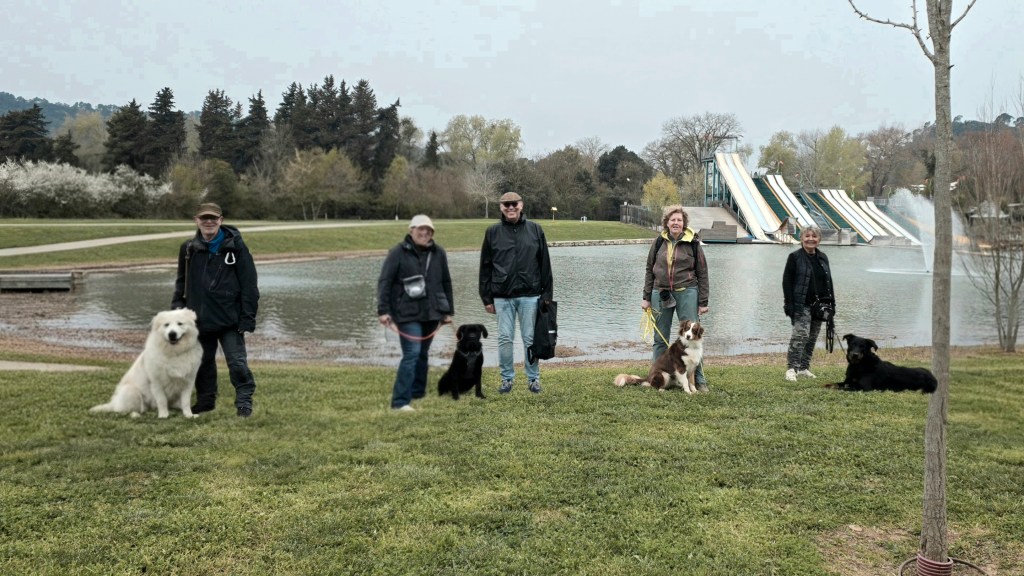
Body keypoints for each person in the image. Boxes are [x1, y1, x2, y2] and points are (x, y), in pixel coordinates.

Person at [171, 202, 260, 417]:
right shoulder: (188, 249)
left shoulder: (236, 247)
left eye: (213, 218)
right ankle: (206, 401)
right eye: (204, 218)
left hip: (231, 320)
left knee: (237, 364)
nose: (208, 222)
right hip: (199, 319)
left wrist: (247, 318)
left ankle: (244, 403)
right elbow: (181, 283)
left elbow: (249, 285)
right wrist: (176, 311)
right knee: (202, 363)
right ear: (196, 221)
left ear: (221, 220)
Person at [479, 191, 553, 394]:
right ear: (501, 207)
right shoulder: (492, 232)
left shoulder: (535, 230)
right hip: (502, 296)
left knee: (530, 339)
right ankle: (506, 379)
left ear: (521, 205)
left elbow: (545, 265)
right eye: (506, 205)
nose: (511, 208)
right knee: (504, 338)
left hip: (530, 295)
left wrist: (546, 296)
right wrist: (486, 297)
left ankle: (533, 378)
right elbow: (485, 267)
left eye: (514, 204)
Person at [377, 215, 453, 412]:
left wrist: (448, 311)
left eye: (428, 230)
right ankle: (400, 401)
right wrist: (383, 311)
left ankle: (417, 391)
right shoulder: (397, 253)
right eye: (421, 229)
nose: (424, 233)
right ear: (411, 230)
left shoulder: (439, 253)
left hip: (432, 312)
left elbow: (446, 282)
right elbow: (385, 282)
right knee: (411, 353)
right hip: (406, 313)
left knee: (423, 353)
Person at [641, 204, 710, 392]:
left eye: (679, 220)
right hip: (660, 292)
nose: (676, 223)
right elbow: (650, 270)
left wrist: (703, 301)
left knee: (694, 338)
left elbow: (702, 272)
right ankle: (657, 377)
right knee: (659, 338)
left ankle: (699, 381)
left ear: (684, 223)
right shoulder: (658, 242)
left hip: (687, 291)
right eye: (673, 220)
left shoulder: (693, 243)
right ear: (667, 223)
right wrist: (646, 297)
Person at [782, 225, 835, 382]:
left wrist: (832, 304)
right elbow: (787, 282)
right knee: (801, 335)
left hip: (819, 306)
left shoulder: (823, 257)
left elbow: (828, 282)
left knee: (812, 337)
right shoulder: (794, 257)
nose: (810, 239)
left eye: (814, 236)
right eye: (807, 236)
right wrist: (789, 304)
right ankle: (792, 369)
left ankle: (804, 368)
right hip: (801, 304)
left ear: (819, 239)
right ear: (801, 239)